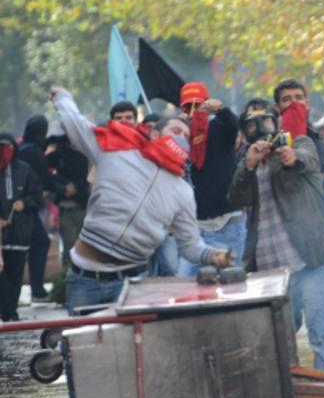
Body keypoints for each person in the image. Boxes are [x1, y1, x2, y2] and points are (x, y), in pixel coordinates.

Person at [50, 88, 233, 312]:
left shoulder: (183, 192)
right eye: (176, 130)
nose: (181, 138)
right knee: (80, 343)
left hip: (131, 283)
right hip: (84, 278)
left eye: (186, 136)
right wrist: (63, 97)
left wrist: (213, 255)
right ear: (155, 134)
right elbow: (76, 125)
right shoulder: (115, 151)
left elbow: (191, 246)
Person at [227, 101, 324, 372]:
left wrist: (290, 156)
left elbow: (306, 158)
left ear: (275, 121)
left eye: (264, 122)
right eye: (251, 125)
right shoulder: (247, 159)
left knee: (319, 332)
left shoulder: (298, 142)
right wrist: (250, 164)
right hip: (272, 271)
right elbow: (235, 197)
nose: (259, 130)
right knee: (281, 341)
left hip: (312, 260)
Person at [176, 82, 245, 277]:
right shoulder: (182, 135)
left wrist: (221, 109)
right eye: (188, 107)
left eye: (199, 106)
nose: (194, 111)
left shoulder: (220, 127)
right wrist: (178, 128)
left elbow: (234, 126)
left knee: (230, 282)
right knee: (184, 283)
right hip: (195, 227)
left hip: (227, 222)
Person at [1, 133, 42, 321]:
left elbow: (37, 197)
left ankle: (10, 312)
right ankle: (7, 310)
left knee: (16, 274)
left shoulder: (25, 170)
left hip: (20, 231)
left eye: (8, 147)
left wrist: (24, 204)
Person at [16, 115, 53, 302]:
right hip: (23, 208)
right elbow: (45, 181)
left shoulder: (21, 148)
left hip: (18, 206)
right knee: (38, 243)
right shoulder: (34, 152)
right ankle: (37, 290)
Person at [46, 131, 90, 268]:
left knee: (86, 248)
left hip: (84, 208)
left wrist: (77, 187)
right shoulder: (58, 154)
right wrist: (63, 187)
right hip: (65, 210)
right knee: (70, 246)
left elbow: (90, 178)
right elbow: (45, 174)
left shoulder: (87, 155)